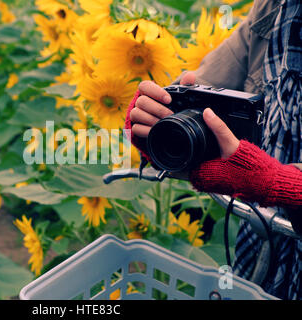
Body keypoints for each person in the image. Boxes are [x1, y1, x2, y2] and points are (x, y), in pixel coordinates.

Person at [124, 0, 301, 299]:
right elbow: (206, 92)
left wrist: (282, 184)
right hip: (264, 244)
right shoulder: (277, 11)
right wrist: (163, 123)